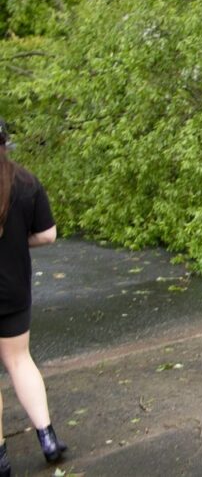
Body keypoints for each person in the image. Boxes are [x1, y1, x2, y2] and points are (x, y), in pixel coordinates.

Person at [0, 120, 66, 475]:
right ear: (5, 142)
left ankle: (1, 460)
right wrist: (16, 240)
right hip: (14, 288)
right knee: (20, 361)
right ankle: (48, 438)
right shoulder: (26, 181)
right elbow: (48, 235)